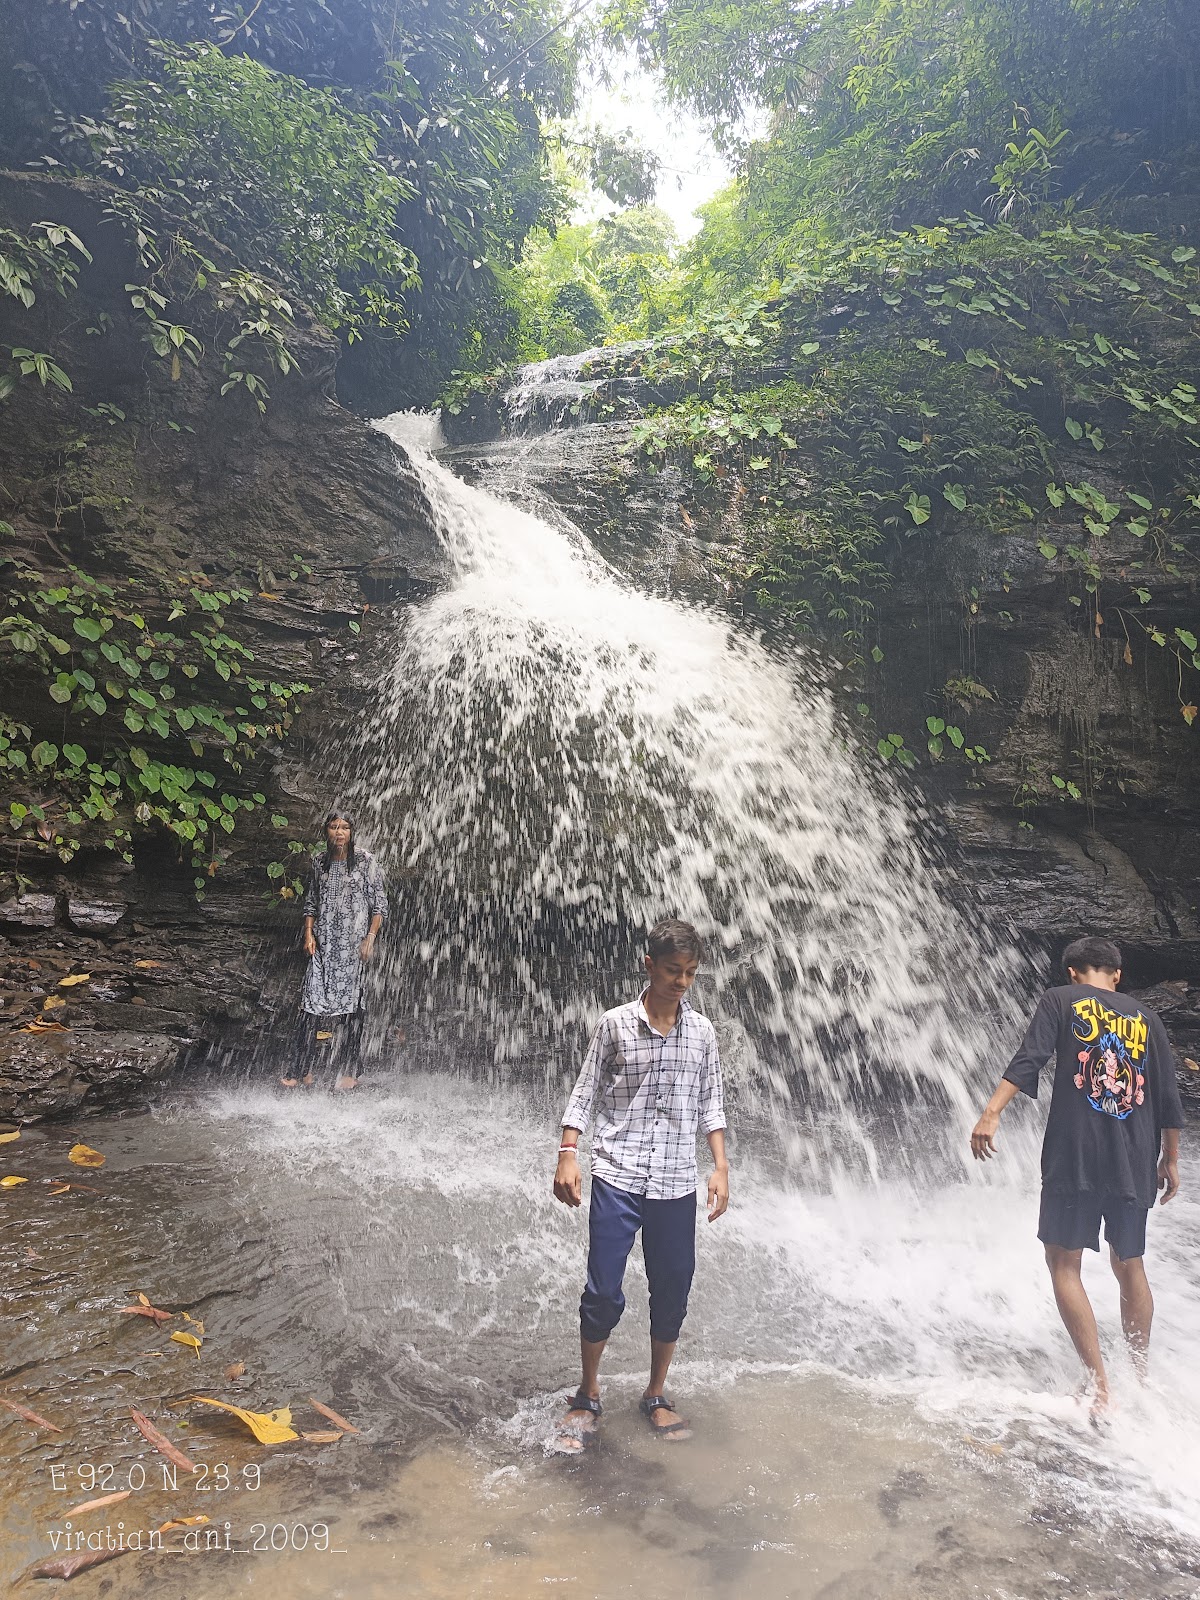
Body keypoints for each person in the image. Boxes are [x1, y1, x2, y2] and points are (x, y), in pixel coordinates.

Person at [970, 935, 1184, 1417]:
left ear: (1072, 972)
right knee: (1130, 1263)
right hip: (1135, 1158)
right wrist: (1169, 1159)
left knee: (1063, 1264)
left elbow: (1031, 1058)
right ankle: (1139, 1376)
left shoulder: (1060, 999)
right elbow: (1168, 1097)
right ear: (1117, 975)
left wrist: (991, 1112)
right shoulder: (1147, 1018)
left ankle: (1100, 1386)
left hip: (1076, 1155)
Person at [551, 918, 729, 1453]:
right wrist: (567, 1152)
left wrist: (720, 1166)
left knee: (672, 1289)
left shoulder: (703, 1034)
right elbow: (584, 1091)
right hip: (619, 1173)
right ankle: (588, 1392)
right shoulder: (615, 1024)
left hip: (675, 1180)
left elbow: (711, 1103)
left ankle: (655, 1393)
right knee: (603, 1289)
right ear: (649, 965)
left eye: (691, 973)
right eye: (673, 971)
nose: (681, 982)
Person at [281, 810, 386, 1091]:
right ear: (326, 831)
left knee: (351, 1009)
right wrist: (308, 934)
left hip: (352, 948)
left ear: (352, 833)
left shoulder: (365, 861)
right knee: (309, 1005)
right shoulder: (319, 862)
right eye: (334, 827)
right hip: (324, 945)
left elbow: (379, 905)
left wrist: (370, 939)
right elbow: (312, 901)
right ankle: (301, 1069)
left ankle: (351, 1070)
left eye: (345, 828)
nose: (339, 832)